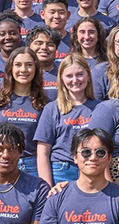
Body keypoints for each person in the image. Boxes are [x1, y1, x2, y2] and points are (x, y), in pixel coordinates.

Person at [0, 46, 47, 176]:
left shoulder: (44, 103)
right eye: (18, 65)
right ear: (10, 69)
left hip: (32, 167)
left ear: (36, 69)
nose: (23, 70)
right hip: (0, 164)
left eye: (29, 65)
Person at [34, 55, 100, 185]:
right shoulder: (52, 109)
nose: (75, 80)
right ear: (62, 79)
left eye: (80, 74)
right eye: (69, 76)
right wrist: (47, 187)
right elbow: (42, 152)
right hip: (62, 170)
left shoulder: (100, 107)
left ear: (88, 76)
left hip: (93, 168)